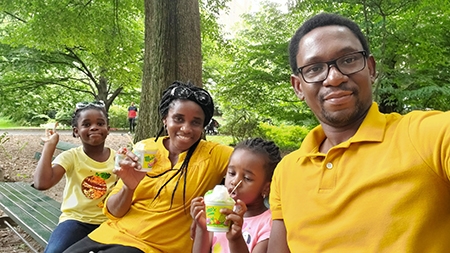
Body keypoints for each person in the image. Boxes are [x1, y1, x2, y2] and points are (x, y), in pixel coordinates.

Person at [267, 12, 450, 252]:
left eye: (349, 59)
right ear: (298, 86)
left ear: (371, 68)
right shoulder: (286, 170)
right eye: (314, 69)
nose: (333, 78)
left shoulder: (427, 135)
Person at [64, 80, 234, 253]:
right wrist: (129, 187)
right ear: (165, 120)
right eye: (178, 119)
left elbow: (256, 162)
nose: (186, 128)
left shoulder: (214, 154)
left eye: (195, 122)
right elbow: (114, 212)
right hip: (109, 234)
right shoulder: (145, 149)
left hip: (155, 247)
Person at [33, 101, 117, 253]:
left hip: (109, 222)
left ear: (108, 129)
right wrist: (49, 146)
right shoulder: (71, 157)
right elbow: (42, 183)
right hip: (76, 220)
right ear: (76, 131)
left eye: (100, 123)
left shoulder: (118, 158)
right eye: (86, 124)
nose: (94, 127)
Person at [191, 137, 281, 253]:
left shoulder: (268, 224)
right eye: (231, 173)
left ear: (266, 188)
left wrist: (236, 239)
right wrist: (202, 228)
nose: (234, 181)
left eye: (247, 178)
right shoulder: (219, 212)